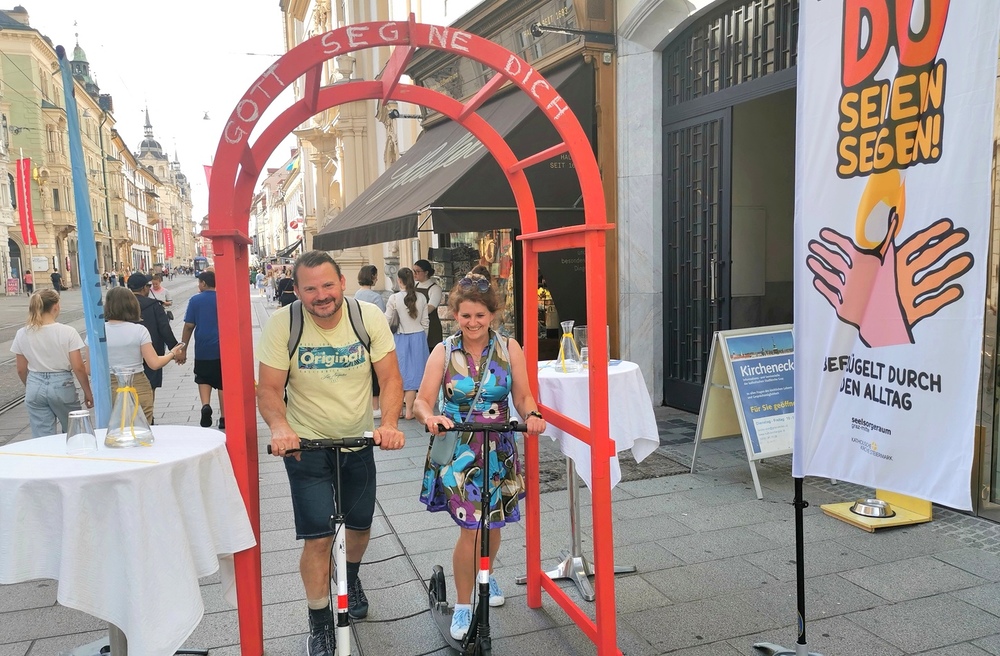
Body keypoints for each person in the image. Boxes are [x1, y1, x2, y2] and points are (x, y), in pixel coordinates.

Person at [256, 250, 405, 656]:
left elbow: (390, 377)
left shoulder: (366, 318)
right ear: (297, 290)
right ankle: (319, 618)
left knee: (359, 528)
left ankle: (350, 576)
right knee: (319, 539)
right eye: (310, 288)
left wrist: (388, 423)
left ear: (341, 282)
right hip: (306, 447)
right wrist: (281, 427)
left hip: (357, 441)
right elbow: (268, 389)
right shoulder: (283, 324)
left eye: (327, 285)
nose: (321, 295)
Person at [412, 272, 546, 641]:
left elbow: (522, 396)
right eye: (466, 316)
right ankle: (462, 603)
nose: (472, 323)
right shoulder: (444, 351)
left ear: (493, 315)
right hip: (458, 452)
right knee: (471, 530)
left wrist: (531, 415)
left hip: (499, 448)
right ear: (455, 314)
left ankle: (485, 572)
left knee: (494, 525)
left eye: (480, 316)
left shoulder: (510, 348)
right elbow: (421, 402)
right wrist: (431, 417)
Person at [11, 290, 93, 437]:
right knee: (74, 431)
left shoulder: (22, 333)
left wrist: (30, 385)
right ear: (56, 306)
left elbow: (21, 369)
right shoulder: (68, 332)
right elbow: (78, 367)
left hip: (35, 383)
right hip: (62, 385)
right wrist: (88, 392)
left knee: (42, 437)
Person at [100, 287, 184, 424]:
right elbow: (154, 363)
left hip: (109, 386)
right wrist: (172, 353)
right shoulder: (139, 330)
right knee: (141, 430)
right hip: (137, 384)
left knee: (115, 430)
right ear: (132, 305)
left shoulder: (99, 332)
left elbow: (89, 369)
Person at [128, 273, 182, 415]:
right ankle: (148, 417)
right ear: (145, 288)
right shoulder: (154, 306)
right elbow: (164, 328)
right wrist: (176, 350)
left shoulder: (122, 307)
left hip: (129, 355)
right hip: (152, 352)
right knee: (150, 386)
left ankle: (132, 416)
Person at [179, 271, 225, 430]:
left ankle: (206, 405)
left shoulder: (195, 300)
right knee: (222, 383)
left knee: (203, 378)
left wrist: (182, 349)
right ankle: (224, 416)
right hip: (222, 349)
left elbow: (189, 326)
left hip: (203, 349)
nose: (198, 285)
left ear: (204, 283)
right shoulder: (223, 298)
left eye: (199, 282)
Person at [384, 267, 428, 420]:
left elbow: (386, 320)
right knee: (414, 375)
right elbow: (425, 322)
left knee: (399, 374)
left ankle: (400, 411)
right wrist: (423, 338)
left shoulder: (394, 298)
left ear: (399, 280)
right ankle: (410, 410)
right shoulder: (421, 298)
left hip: (400, 337)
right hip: (418, 337)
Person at [355, 265, 385, 418]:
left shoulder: (355, 296)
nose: (377, 278)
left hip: (358, 337)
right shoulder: (375, 298)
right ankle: (375, 406)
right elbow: (382, 319)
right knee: (375, 372)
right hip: (373, 337)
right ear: (372, 277)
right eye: (376, 275)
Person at [413, 259, 443, 351]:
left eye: (417, 271)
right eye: (413, 271)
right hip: (416, 325)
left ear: (426, 272)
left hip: (431, 327)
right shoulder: (415, 286)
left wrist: (413, 311)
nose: (415, 274)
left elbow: (430, 307)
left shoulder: (435, 289)